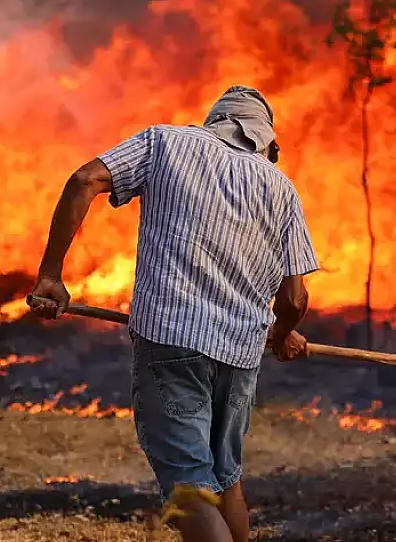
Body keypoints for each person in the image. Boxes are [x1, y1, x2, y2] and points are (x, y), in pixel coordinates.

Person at [26, 85, 319, 542]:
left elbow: (85, 180)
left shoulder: (167, 142)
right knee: (226, 481)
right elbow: (294, 300)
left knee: (189, 487)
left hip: (173, 339)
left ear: (214, 122)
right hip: (240, 356)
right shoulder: (281, 189)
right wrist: (282, 333)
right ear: (265, 141)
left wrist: (50, 275)